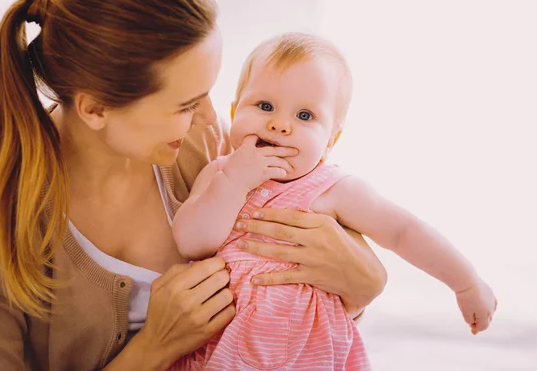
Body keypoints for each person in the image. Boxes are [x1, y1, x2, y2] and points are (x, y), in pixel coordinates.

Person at [0, 0, 388, 370]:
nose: (209, 117)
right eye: (185, 105)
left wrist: (365, 283)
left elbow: (316, 283)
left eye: (207, 93)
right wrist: (154, 347)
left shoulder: (210, 148)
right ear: (95, 109)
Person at [170, 32, 498, 370]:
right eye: (265, 106)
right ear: (236, 110)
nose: (280, 124)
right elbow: (192, 243)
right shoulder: (220, 173)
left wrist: (466, 283)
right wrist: (234, 182)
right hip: (219, 347)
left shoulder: (333, 188)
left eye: (305, 116)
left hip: (305, 353)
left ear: (331, 140)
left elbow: (404, 231)